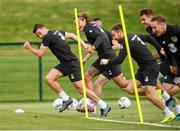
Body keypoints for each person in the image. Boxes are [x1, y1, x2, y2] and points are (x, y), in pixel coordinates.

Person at [23, 24, 111, 117]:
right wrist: (84, 44)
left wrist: (29, 48)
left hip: (71, 64)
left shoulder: (48, 36)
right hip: (65, 63)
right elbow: (72, 35)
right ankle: (66, 99)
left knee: (82, 90)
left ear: (43, 28)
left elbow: (41, 53)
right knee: (49, 79)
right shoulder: (56, 32)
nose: (40, 36)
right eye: (38, 36)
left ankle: (104, 106)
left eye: (39, 33)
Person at [100, 24, 175, 123]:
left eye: (114, 35)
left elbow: (119, 60)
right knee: (130, 89)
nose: (114, 38)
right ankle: (160, 94)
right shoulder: (132, 36)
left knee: (149, 95)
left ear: (119, 32)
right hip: (143, 69)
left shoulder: (126, 41)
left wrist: (107, 61)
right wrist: (159, 48)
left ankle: (169, 113)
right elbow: (148, 37)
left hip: (150, 67)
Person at [76, 13, 128, 99]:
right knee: (87, 76)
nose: (95, 26)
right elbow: (96, 48)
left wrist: (95, 47)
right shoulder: (92, 31)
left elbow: (117, 46)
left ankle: (144, 85)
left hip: (110, 60)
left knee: (124, 86)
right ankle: (93, 103)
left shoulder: (97, 31)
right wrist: (85, 59)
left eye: (78, 22)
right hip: (102, 59)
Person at [139, 8, 177, 108]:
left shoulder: (173, 30)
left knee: (152, 76)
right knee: (166, 87)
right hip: (170, 60)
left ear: (151, 18)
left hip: (171, 60)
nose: (142, 22)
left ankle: (169, 100)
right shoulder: (151, 31)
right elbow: (163, 50)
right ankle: (176, 107)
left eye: (144, 19)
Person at [151, 15, 180, 119]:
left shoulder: (176, 30)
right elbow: (168, 52)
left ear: (162, 25)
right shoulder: (160, 37)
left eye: (154, 27)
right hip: (176, 63)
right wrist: (173, 64)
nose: (153, 30)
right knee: (177, 82)